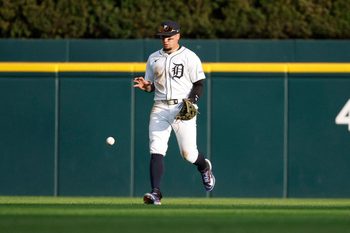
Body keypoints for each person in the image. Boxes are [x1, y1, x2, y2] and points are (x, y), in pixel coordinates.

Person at [133, 21, 215, 205]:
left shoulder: (189, 57)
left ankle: (204, 167)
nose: (165, 40)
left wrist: (192, 101)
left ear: (178, 36)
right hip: (160, 107)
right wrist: (147, 87)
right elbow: (152, 86)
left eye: (169, 37)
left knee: (188, 154)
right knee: (156, 149)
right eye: (162, 37)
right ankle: (156, 193)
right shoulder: (154, 58)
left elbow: (199, 83)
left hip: (182, 107)